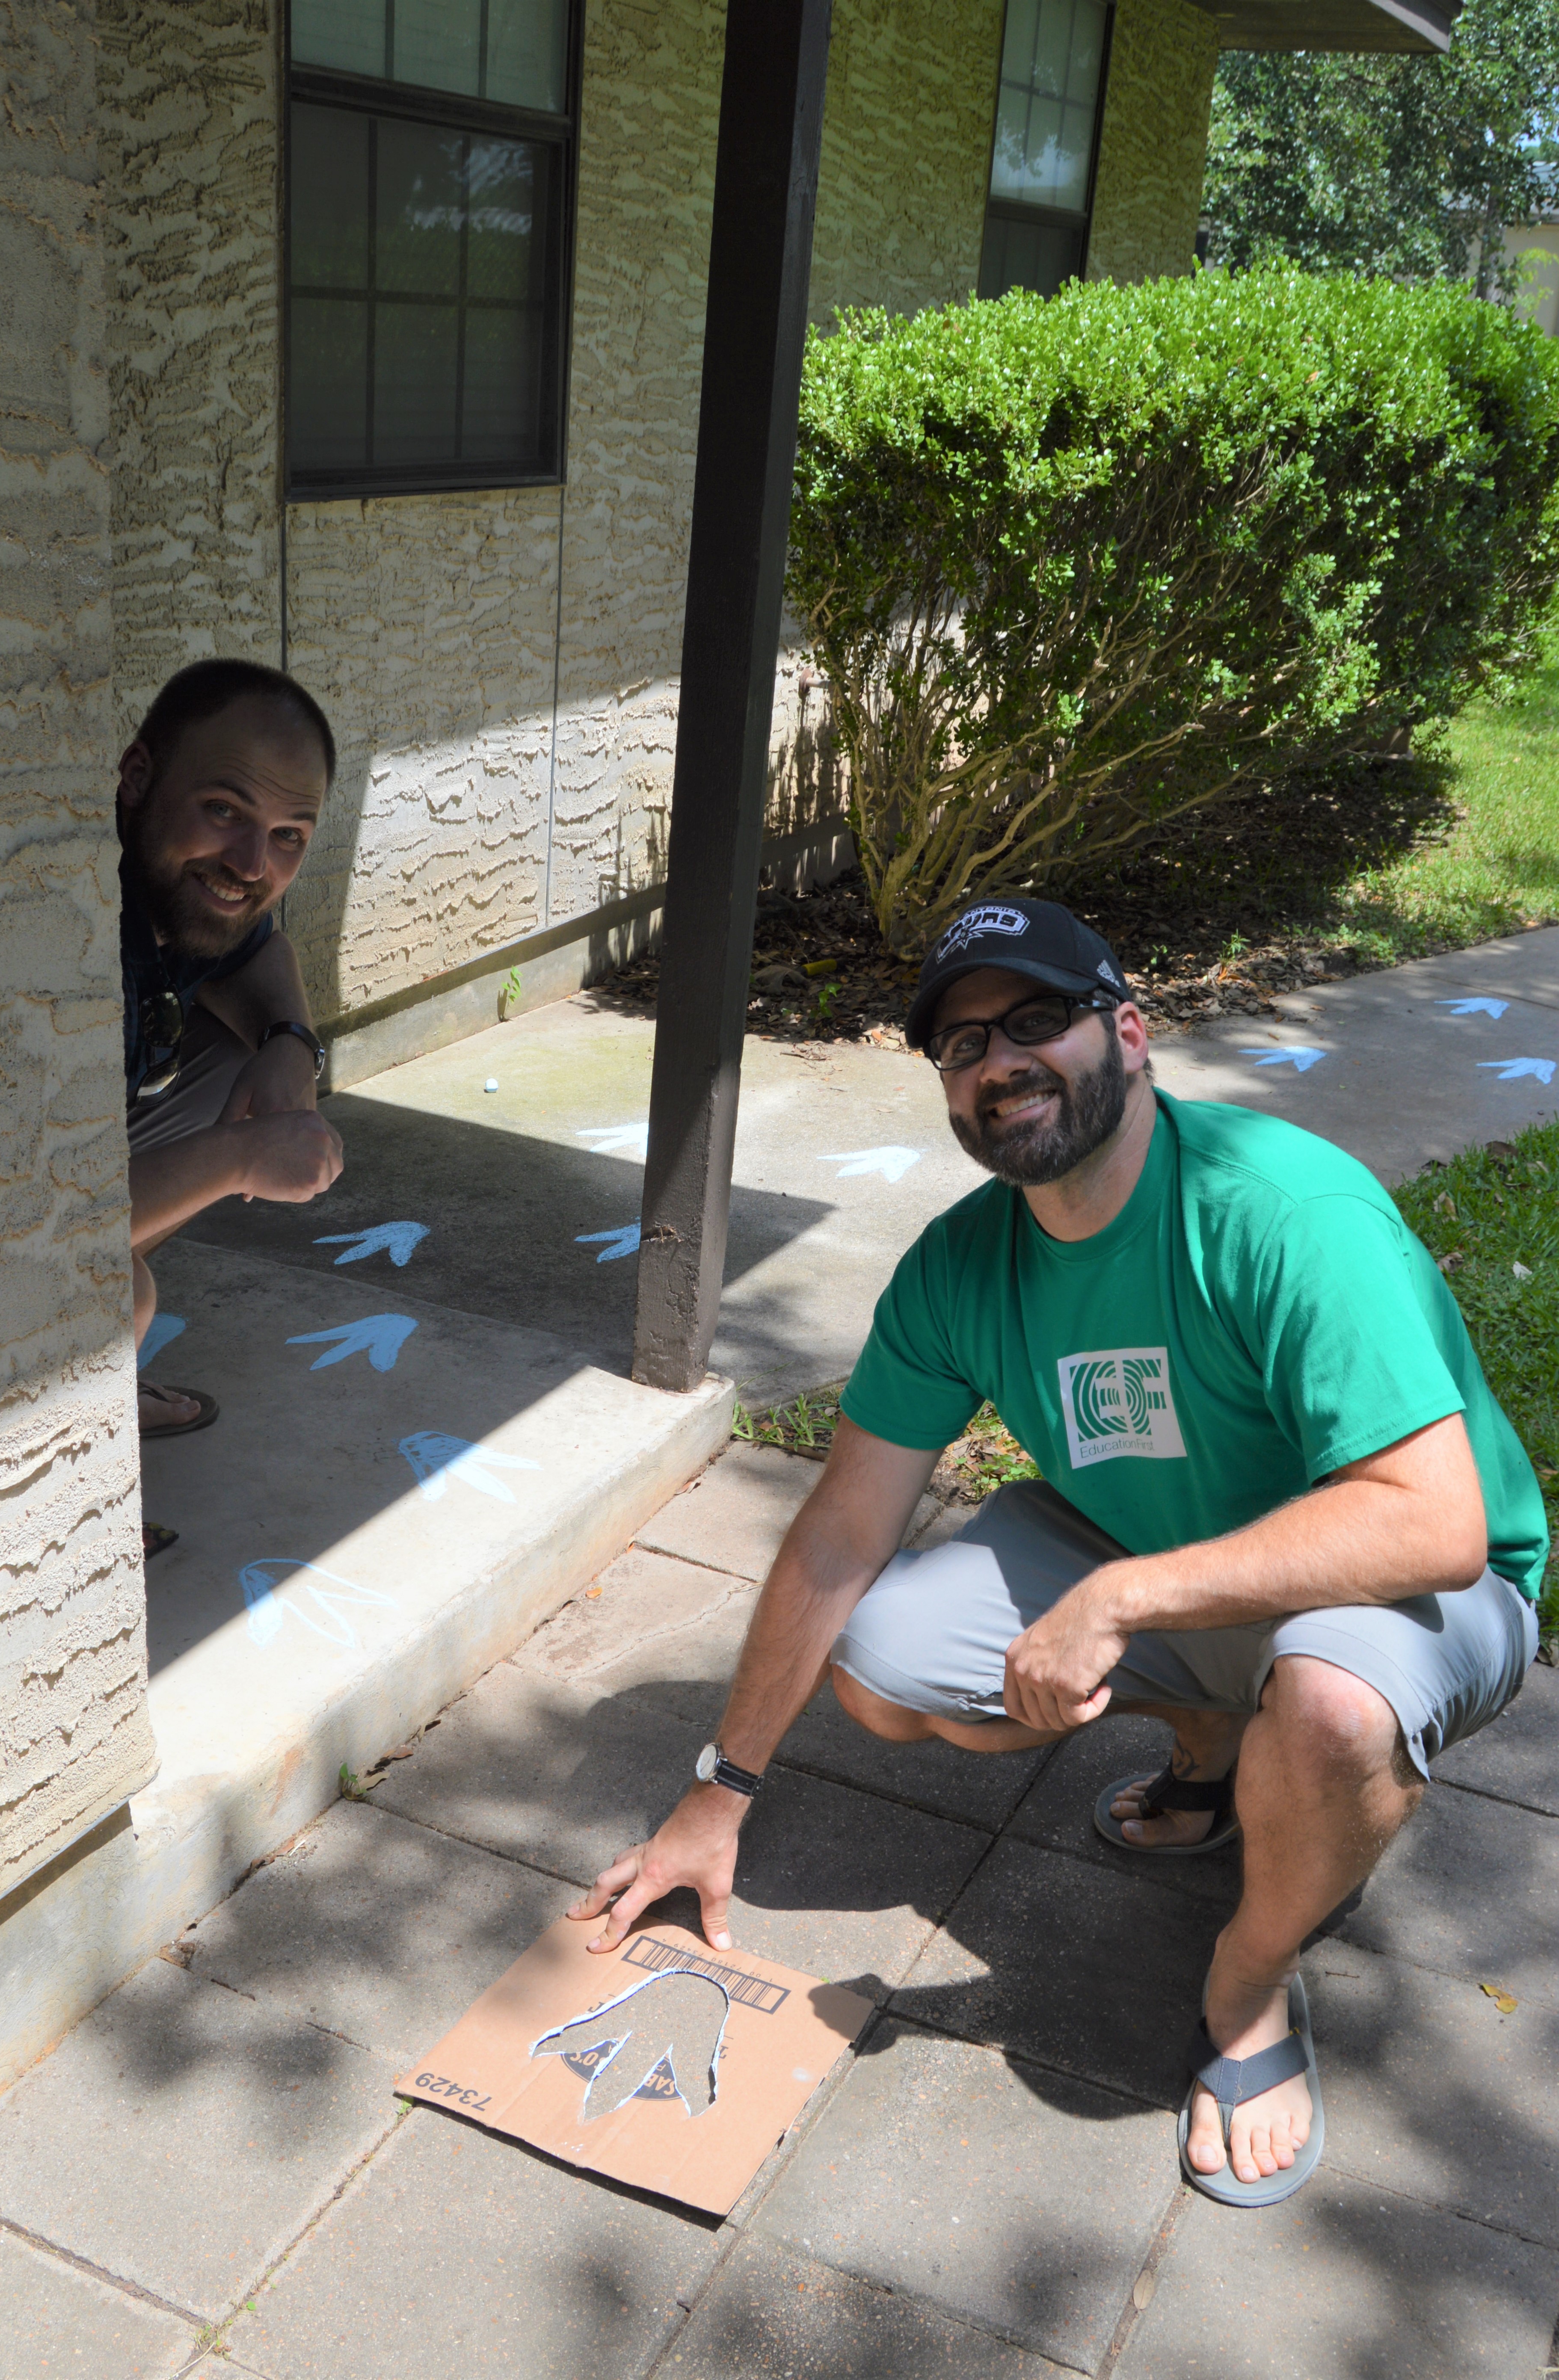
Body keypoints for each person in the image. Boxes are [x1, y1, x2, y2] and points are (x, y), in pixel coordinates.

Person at [569, 896, 1544, 2209]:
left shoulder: (1280, 1210)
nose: (999, 1060)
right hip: (1160, 1549)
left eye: (1037, 1019)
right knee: (884, 1662)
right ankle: (1212, 1742)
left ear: (1128, 1034)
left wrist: (1123, 1596)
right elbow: (843, 1528)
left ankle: (1248, 1979)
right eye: (963, 1043)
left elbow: (1433, 1523)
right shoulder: (957, 1268)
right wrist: (718, 1790)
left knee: (1329, 1711)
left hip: (1417, 1587)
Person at [122, 660, 345, 1500]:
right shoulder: (58, 924)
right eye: (224, 810)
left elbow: (261, 952)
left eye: (289, 834)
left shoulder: (170, 886)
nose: (253, 864)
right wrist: (242, 1158)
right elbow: (33, 1226)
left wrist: (290, 1043)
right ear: (137, 777)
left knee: (233, 1052)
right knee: (115, 1299)